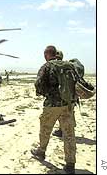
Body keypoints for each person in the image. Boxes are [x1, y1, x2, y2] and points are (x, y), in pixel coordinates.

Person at [31, 45, 77, 174]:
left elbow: (38, 85)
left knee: (45, 129)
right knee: (69, 134)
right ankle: (70, 164)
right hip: (68, 105)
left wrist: (46, 93)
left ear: (46, 54)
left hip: (52, 105)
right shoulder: (69, 65)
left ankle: (41, 152)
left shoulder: (47, 66)